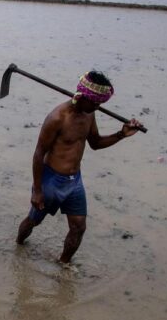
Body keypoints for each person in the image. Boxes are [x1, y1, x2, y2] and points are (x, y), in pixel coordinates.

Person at [16, 70, 144, 264]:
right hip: (51, 179)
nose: (97, 107)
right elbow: (38, 154)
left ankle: (64, 264)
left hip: (75, 181)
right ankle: (18, 246)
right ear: (82, 96)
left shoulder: (89, 114)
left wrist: (121, 134)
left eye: (100, 103)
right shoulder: (57, 118)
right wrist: (37, 190)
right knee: (34, 221)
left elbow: (95, 143)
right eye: (94, 102)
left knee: (79, 227)